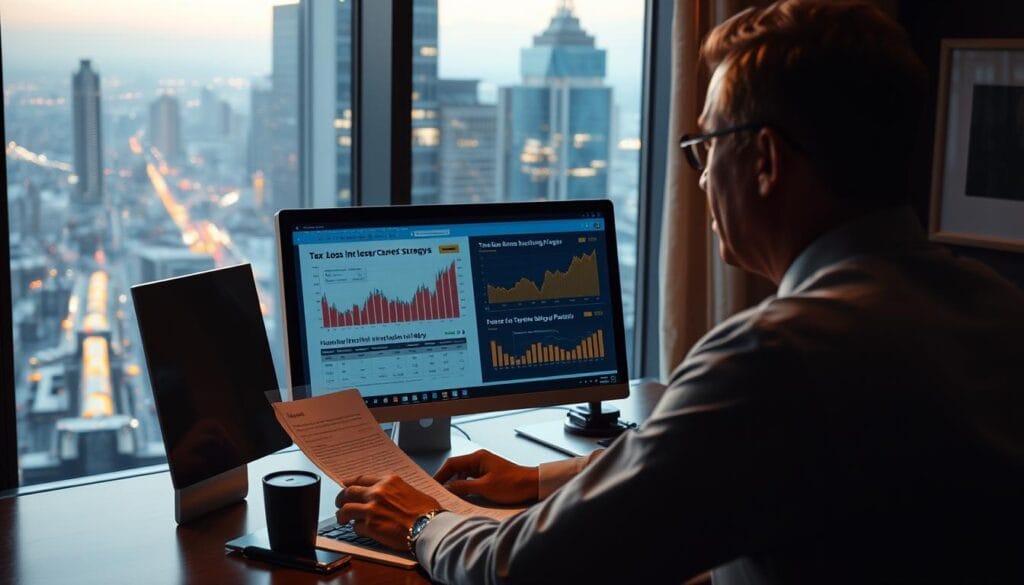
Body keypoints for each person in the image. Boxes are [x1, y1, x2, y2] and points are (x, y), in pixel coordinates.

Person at [336, 1, 1024, 583]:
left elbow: (531, 568)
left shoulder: (780, 353)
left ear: (763, 160)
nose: (698, 179)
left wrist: (423, 522)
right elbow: (716, 459)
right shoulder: (992, 308)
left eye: (705, 147)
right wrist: (542, 480)